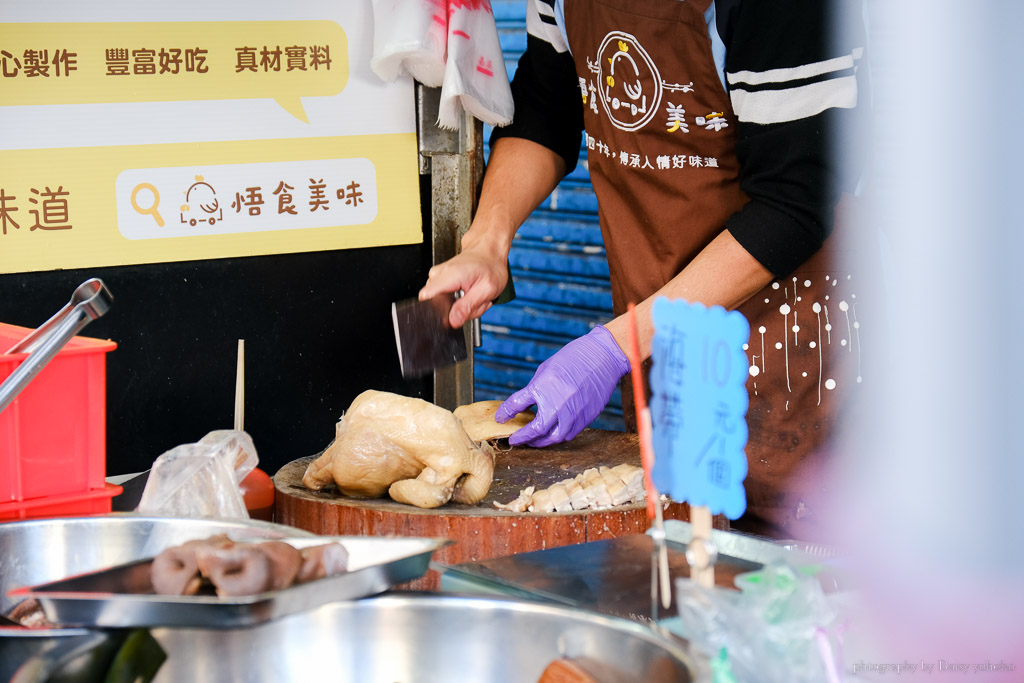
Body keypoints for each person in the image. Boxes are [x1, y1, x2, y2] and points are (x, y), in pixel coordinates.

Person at [419, 0, 868, 539]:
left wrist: (616, 345)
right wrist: (488, 240)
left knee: (788, 575)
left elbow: (798, 198)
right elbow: (547, 108)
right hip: (663, 340)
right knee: (680, 552)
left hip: (791, 348)